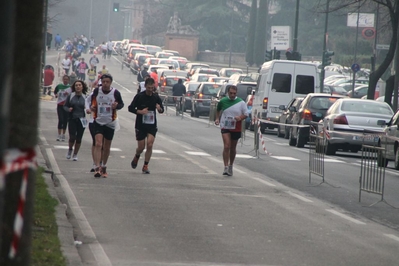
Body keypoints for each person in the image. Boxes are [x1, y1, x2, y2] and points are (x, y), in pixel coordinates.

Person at [89, 74, 124, 178]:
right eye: (103, 82)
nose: (105, 84)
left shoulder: (115, 93)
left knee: (106, 146)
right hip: (98, 121)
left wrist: (116, 106)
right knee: (98, 144)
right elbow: (92, 102)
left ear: (110, 83)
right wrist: (92, 107)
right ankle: (97, 167)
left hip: (110, 122)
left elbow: (122, 104)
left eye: (107, 82)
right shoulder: (96, 91)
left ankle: (104, 166)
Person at [128, 78, 164, 174]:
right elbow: (130, 108)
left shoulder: (156, 97)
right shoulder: (139, 96)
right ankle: (137, 156)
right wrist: (140, 111)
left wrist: (159, 109)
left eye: (152, 88)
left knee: (150, 144)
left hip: (151, 125)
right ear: (145, 87)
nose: (150, 90)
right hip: (140, 125)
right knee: (141, 147)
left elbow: (162, 110)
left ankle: (145, 165)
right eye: (148, 88)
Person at [214, 85, 248, 176]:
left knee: (232, 148)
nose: (232, 95)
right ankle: (225, 167)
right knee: (226, 146)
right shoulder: (223, 101)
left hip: (236, 127)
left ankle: (230, 166)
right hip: (225, 126)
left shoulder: (241, 102)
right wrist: (217, 119)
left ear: (236, 93)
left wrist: (240, 117)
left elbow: (246, 114)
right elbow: (218, 109)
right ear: (227, 93)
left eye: (234, 93)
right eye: (231, 93)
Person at [64, 80, 89, 161]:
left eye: (79, 85)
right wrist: (69, 109)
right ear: (74, 87)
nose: (78, 87)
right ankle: (70, 149)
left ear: (82, 87)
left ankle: (75, 154)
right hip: (72, 119)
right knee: (72, 137)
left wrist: (88, 109)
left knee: (79, 138)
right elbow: (65, 106)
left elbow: (90, 107)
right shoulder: (71, 96)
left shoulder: (85, 97)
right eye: (76, 85)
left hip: (82, 119)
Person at [54, 75, 72, 141]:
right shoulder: (59, 86)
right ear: (62, 79)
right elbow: (55, 92)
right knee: (60, 119)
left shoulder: (70, 88)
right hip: (60, 105)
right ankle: (59, 134)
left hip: (67, 105)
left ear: (69, 80)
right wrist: (56, 95)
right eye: (64, 79)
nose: (65, 80)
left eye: (67, 79)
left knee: (65, 120)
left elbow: (72, 96)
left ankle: (63, 134)